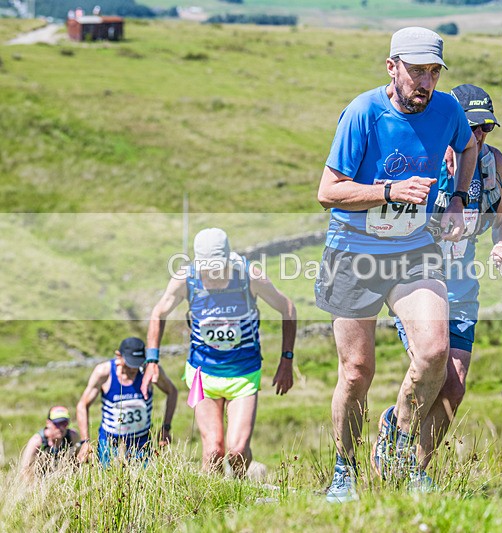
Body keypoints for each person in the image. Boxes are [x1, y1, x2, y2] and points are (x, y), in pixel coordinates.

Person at [316, 26, 478, 502]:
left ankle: (400, 447)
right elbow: (328, 191)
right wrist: (388, 191)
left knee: (433, 353)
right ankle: (345, 471)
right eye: (416, 72)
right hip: (354, 252)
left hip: (412, 250)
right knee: (356, 372)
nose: (425, 82)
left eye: (433, 72)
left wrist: (459, 199)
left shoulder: (447, 109)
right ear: (392, 67)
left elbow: (467, 147)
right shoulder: (363, 112)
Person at [385, 83, 502, 478]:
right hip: (417, 285)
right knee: (432, 370)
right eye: (471, 127)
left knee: (453, 388)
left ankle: (417, 471)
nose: (478, 136)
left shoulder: (493, 165)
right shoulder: (421, 159)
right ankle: (396, 432)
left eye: (485, 129)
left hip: (462, 288)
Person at [142, 228, 296, 476]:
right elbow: (158, 313)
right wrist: (152, 360)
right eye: (207, 268)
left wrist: (286, 359)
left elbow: (287, 308)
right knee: (213, 451)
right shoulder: (186, 278)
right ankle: (210, 504)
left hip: (243, 375)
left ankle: (240, 490)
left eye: (218, 268)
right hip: (202, 373)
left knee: (236, 451)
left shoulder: (248, 276)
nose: (212, 274)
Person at [76, 337, 178, 466]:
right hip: (110, 443)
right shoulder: (104, 372)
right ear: (119, 356)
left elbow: (172, 392)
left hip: (141, 442)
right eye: (130, 363)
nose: (134, 369)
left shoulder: (150, 370)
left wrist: (166, 427)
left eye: (138, 363)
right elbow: (82, 405)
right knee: (108, 482)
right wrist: (85, 441)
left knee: (143, 483)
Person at [18, 406, 81, 480]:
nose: (61, 428)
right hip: (40, 481)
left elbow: (78, 459)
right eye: (57, 424)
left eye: (64, 423)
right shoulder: (37, 442)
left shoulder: (72, 436)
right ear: (48, 423)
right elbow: (25, 470)